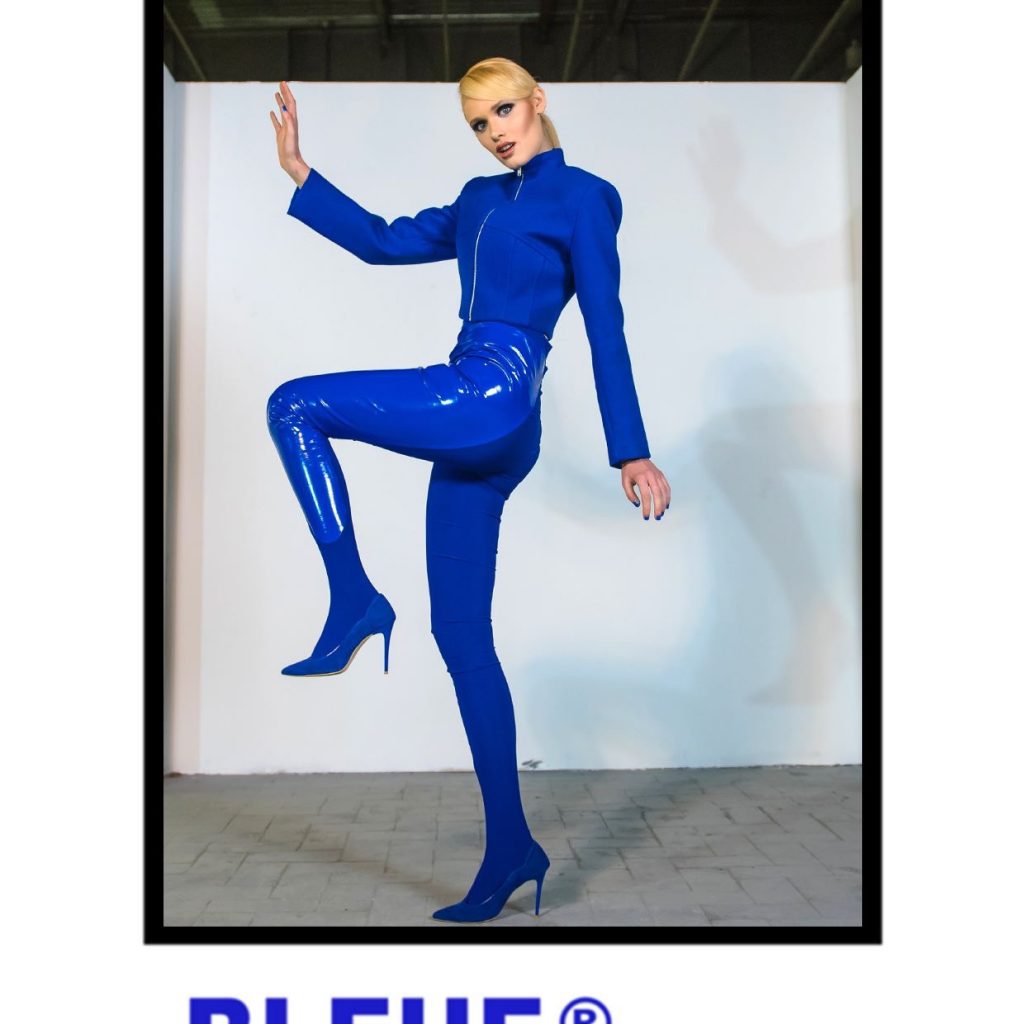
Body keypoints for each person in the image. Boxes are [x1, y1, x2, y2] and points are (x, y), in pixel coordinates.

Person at [266, 57, 671, 923]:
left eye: (504, 112)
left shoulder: (585, 198)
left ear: (538, 101)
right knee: (460, 635)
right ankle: (511, 847)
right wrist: (301, 173)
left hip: (494, 394)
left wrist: (630, 452)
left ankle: (354, 601)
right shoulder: (478, 200)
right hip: (477, 419)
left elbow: (606, 327)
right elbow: (382, 241)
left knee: (294, 404)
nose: (494, 133)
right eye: (479, 124)